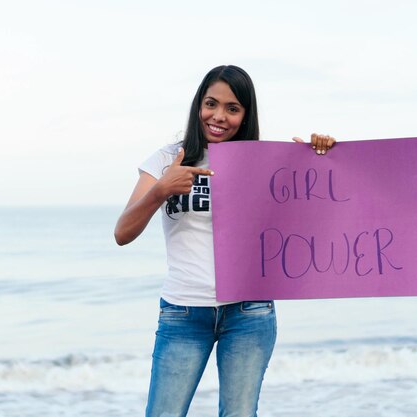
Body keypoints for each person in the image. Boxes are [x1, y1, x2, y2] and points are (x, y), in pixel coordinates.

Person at [114, 65, 335, 417]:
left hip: (250, 312)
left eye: (233, 108)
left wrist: (318, 159)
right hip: (183, 312)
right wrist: (161, 190)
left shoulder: (267, 164)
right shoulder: (167, 159)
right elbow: (122, 233)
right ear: (197, 105)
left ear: (245, 115)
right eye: (211, 104)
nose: (219, 116)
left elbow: (317, 219)